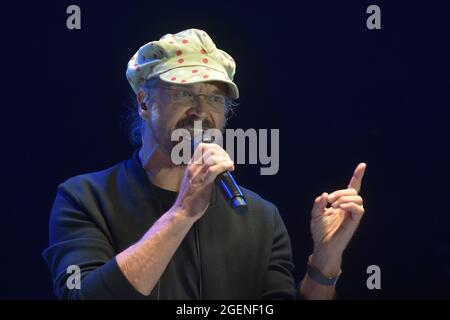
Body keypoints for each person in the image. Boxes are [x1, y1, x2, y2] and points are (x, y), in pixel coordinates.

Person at [42, 28, 366, 300]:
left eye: (214, 98)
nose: (201, 110)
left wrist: (324, 262)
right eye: (184, 93)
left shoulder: (260, 216)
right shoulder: (85, 198)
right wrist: (181, 214)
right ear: (144, 102)